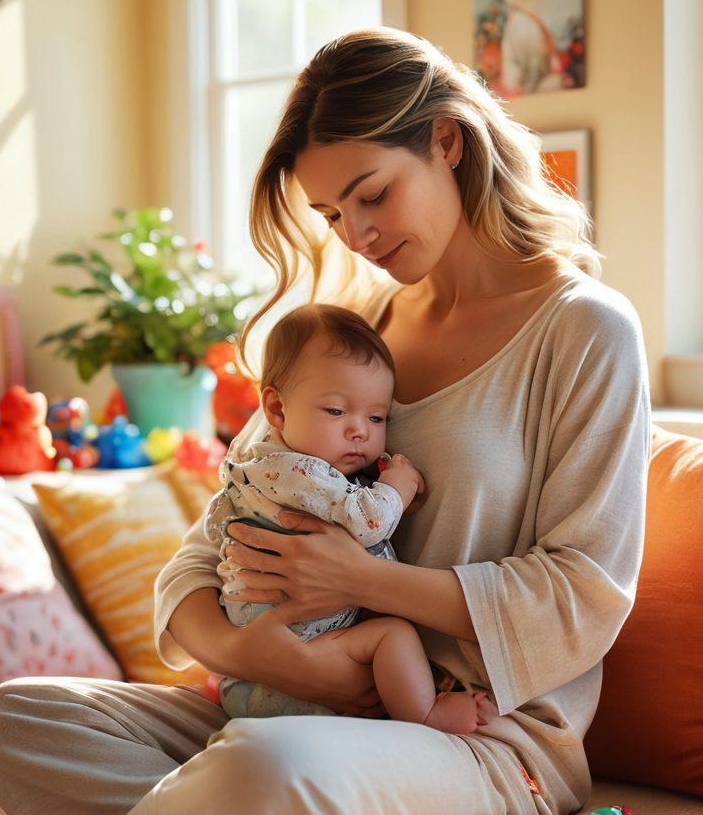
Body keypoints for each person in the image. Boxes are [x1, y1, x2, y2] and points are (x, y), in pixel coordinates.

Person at [0, 28, 650, 815]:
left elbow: (585, 592)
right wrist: (266, 658)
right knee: (8, 720)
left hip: (473, 738)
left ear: (447, 141)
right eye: (331, 215)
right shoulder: (352, 334)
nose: (357, 235)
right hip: (282, 701)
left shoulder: (585, 330)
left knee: (261, 774)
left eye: (372, 195)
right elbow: (207, 545)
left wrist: (365, 582)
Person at [203, 300, 491, 734]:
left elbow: (215, 528)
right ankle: (425, 714)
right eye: (336, 412)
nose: (360, 431)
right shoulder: (301, 472)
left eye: (376, 417)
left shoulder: (258, 469)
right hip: (301, 654)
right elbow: (368, 522)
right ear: (277, 410)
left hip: (260, 668)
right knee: (393, 634)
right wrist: (398, 486)